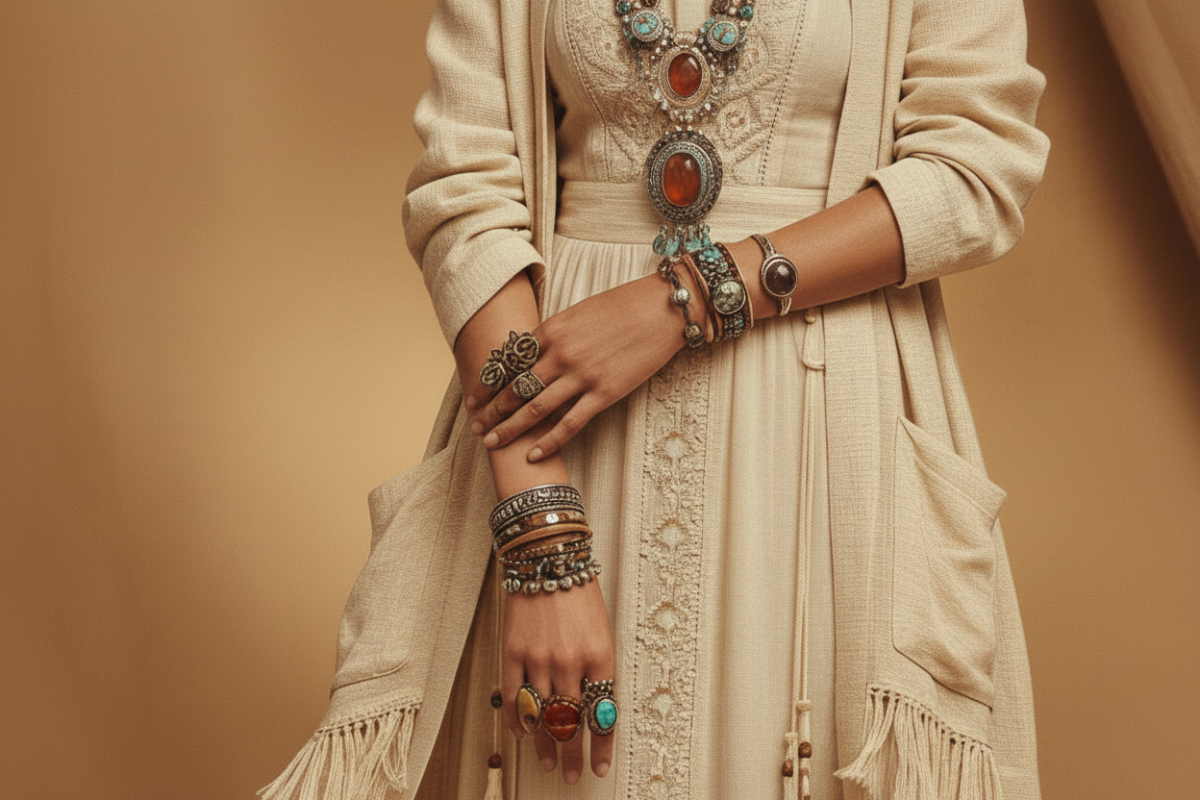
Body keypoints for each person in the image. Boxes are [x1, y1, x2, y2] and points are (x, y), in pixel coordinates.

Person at [260, 0, 1049, 797]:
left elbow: (975, 168)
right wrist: (542, 541)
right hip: (559, 433)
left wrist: (686, 299)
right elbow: (464, 195)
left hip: (820, 446)